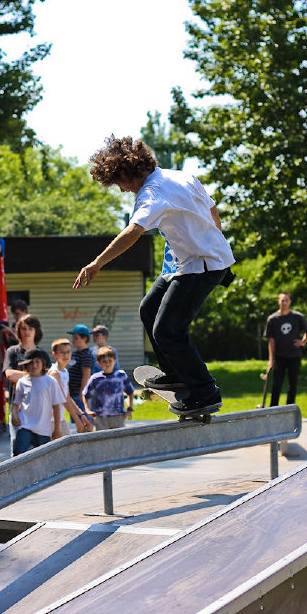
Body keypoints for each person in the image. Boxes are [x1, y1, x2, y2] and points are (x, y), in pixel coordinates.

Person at [73, 136, 235, 414]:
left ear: (125, 172)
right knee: (149, 309)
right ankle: (175, 373)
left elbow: (133, 232)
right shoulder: (181, 177)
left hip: (202, 264)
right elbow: (211, 208)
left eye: (118, 183)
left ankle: (205, 392)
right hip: (194, 262)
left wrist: (97, 263)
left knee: (169, 330)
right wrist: (216, 240)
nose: (122, 190)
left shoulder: (151, 193)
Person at [10, 348, 64, 456]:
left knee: (42, 458)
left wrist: (57, 429)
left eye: (37, 362)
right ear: (25, 365)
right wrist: (14, 414)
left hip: (43, 429)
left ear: (43, 363)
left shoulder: (50, 382)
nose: (34, 365)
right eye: (30, 363)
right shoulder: (22, 382)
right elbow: (15, 403)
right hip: (24, 425)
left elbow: (57, 406)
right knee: (19, 452)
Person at [264, 291, 307, 407]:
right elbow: (271, 341)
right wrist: (271, 360)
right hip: (279, 356)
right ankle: (273, 409)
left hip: (294, 355)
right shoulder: (273, 319)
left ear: (290, 302)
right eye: (282, 300)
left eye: (286, 300)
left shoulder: (297, 317)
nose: (284, 302)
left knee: (293, 384)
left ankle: (289, 408)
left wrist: (303, 341)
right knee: (277, 384)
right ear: (278, 301)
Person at [83, 347, 134, 430]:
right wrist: (87, 409)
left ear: (115, 361)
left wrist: (129, 408)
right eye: (104, 362)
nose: (107, 364)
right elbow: (86, 394)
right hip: (100, 417)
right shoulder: (95, 378)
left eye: (110, 361)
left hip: (118, 416)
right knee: (102, 440)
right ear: (98, 363)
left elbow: (130, 392)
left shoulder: (121, 375)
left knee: (118, 439)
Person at [50, 338, 93, 434]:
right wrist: (77, 421)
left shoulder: (65, 371)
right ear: (54, 354)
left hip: (60, 418)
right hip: (49, 420)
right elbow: (62, 399)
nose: (66, 355)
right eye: (62, 352)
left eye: (68, 352)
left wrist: (81, 415)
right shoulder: (54, 373)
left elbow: (67, 397)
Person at [67, 324, 94, 415]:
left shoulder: (86, 355)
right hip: (72, 394)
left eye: (76, 338)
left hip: (78, 394)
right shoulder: (75, 354)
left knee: (83, 422)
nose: (73, 340)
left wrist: (82, 394)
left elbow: (86, 376)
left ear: (84, 339)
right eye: (73, 338)